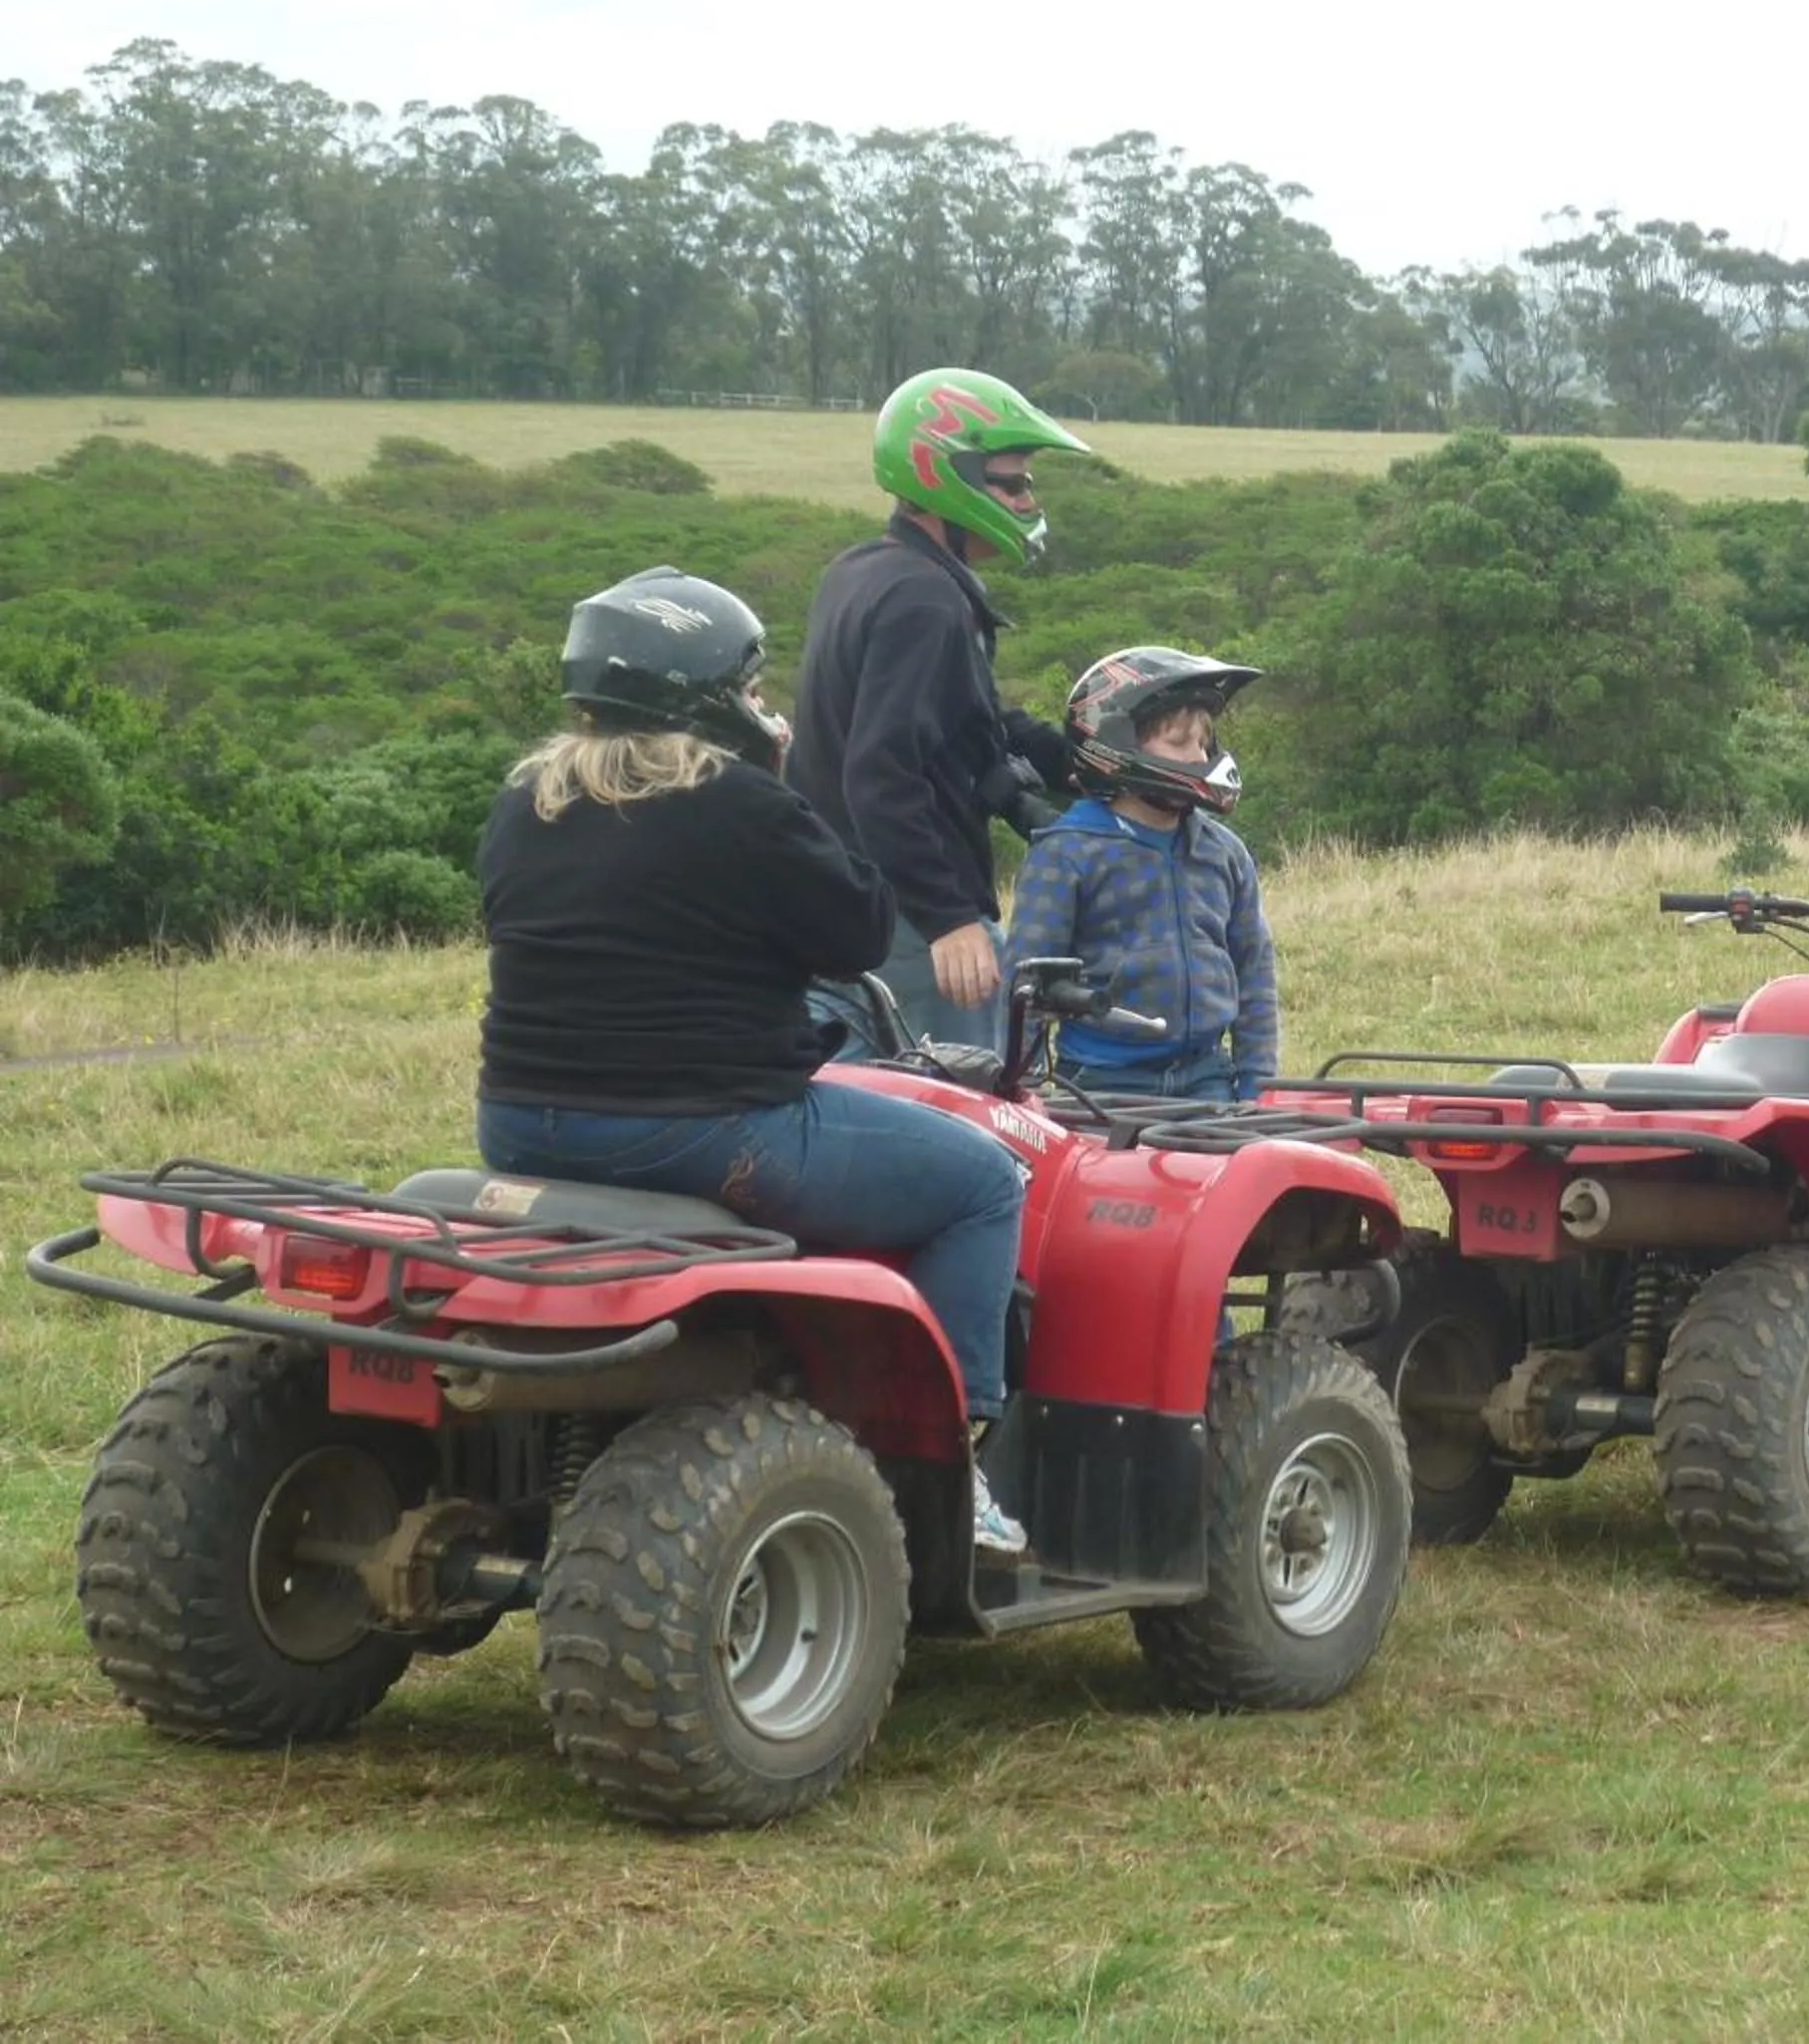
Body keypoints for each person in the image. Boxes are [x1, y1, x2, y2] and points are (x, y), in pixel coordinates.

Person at [477, 565, 1034, 1559]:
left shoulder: (528, 800)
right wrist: (784, 783)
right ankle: (950, 1461)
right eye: (748, 684)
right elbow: (860, 931)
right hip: (704, 1128)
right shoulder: (738, 803)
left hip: (523, 1125)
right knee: (984, 1183)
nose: (760, 701)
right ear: (703, 695)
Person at [787, 367, 1094, 1050]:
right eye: (1011, 483)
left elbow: (966, 717)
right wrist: (947, 917)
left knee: (854, 1091)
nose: (1027, 499)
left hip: (839, 898)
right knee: (972, 1101)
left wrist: (1083, 766)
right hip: (909, 918)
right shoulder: (924, 600)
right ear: (944, 477)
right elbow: (880, 772)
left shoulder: (865, 569)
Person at [1004, 648, 1279, 1102]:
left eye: (1204, 743)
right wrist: (1024, 1092)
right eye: (1180, 742)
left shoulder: (1223, 852)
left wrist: (1258, 1087)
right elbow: (1025, 987)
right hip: (1100, 1082)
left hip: (1208, 1077)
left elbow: (1255, 975)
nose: (1199, 756)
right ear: (1117, 745)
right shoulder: (1067, 852)